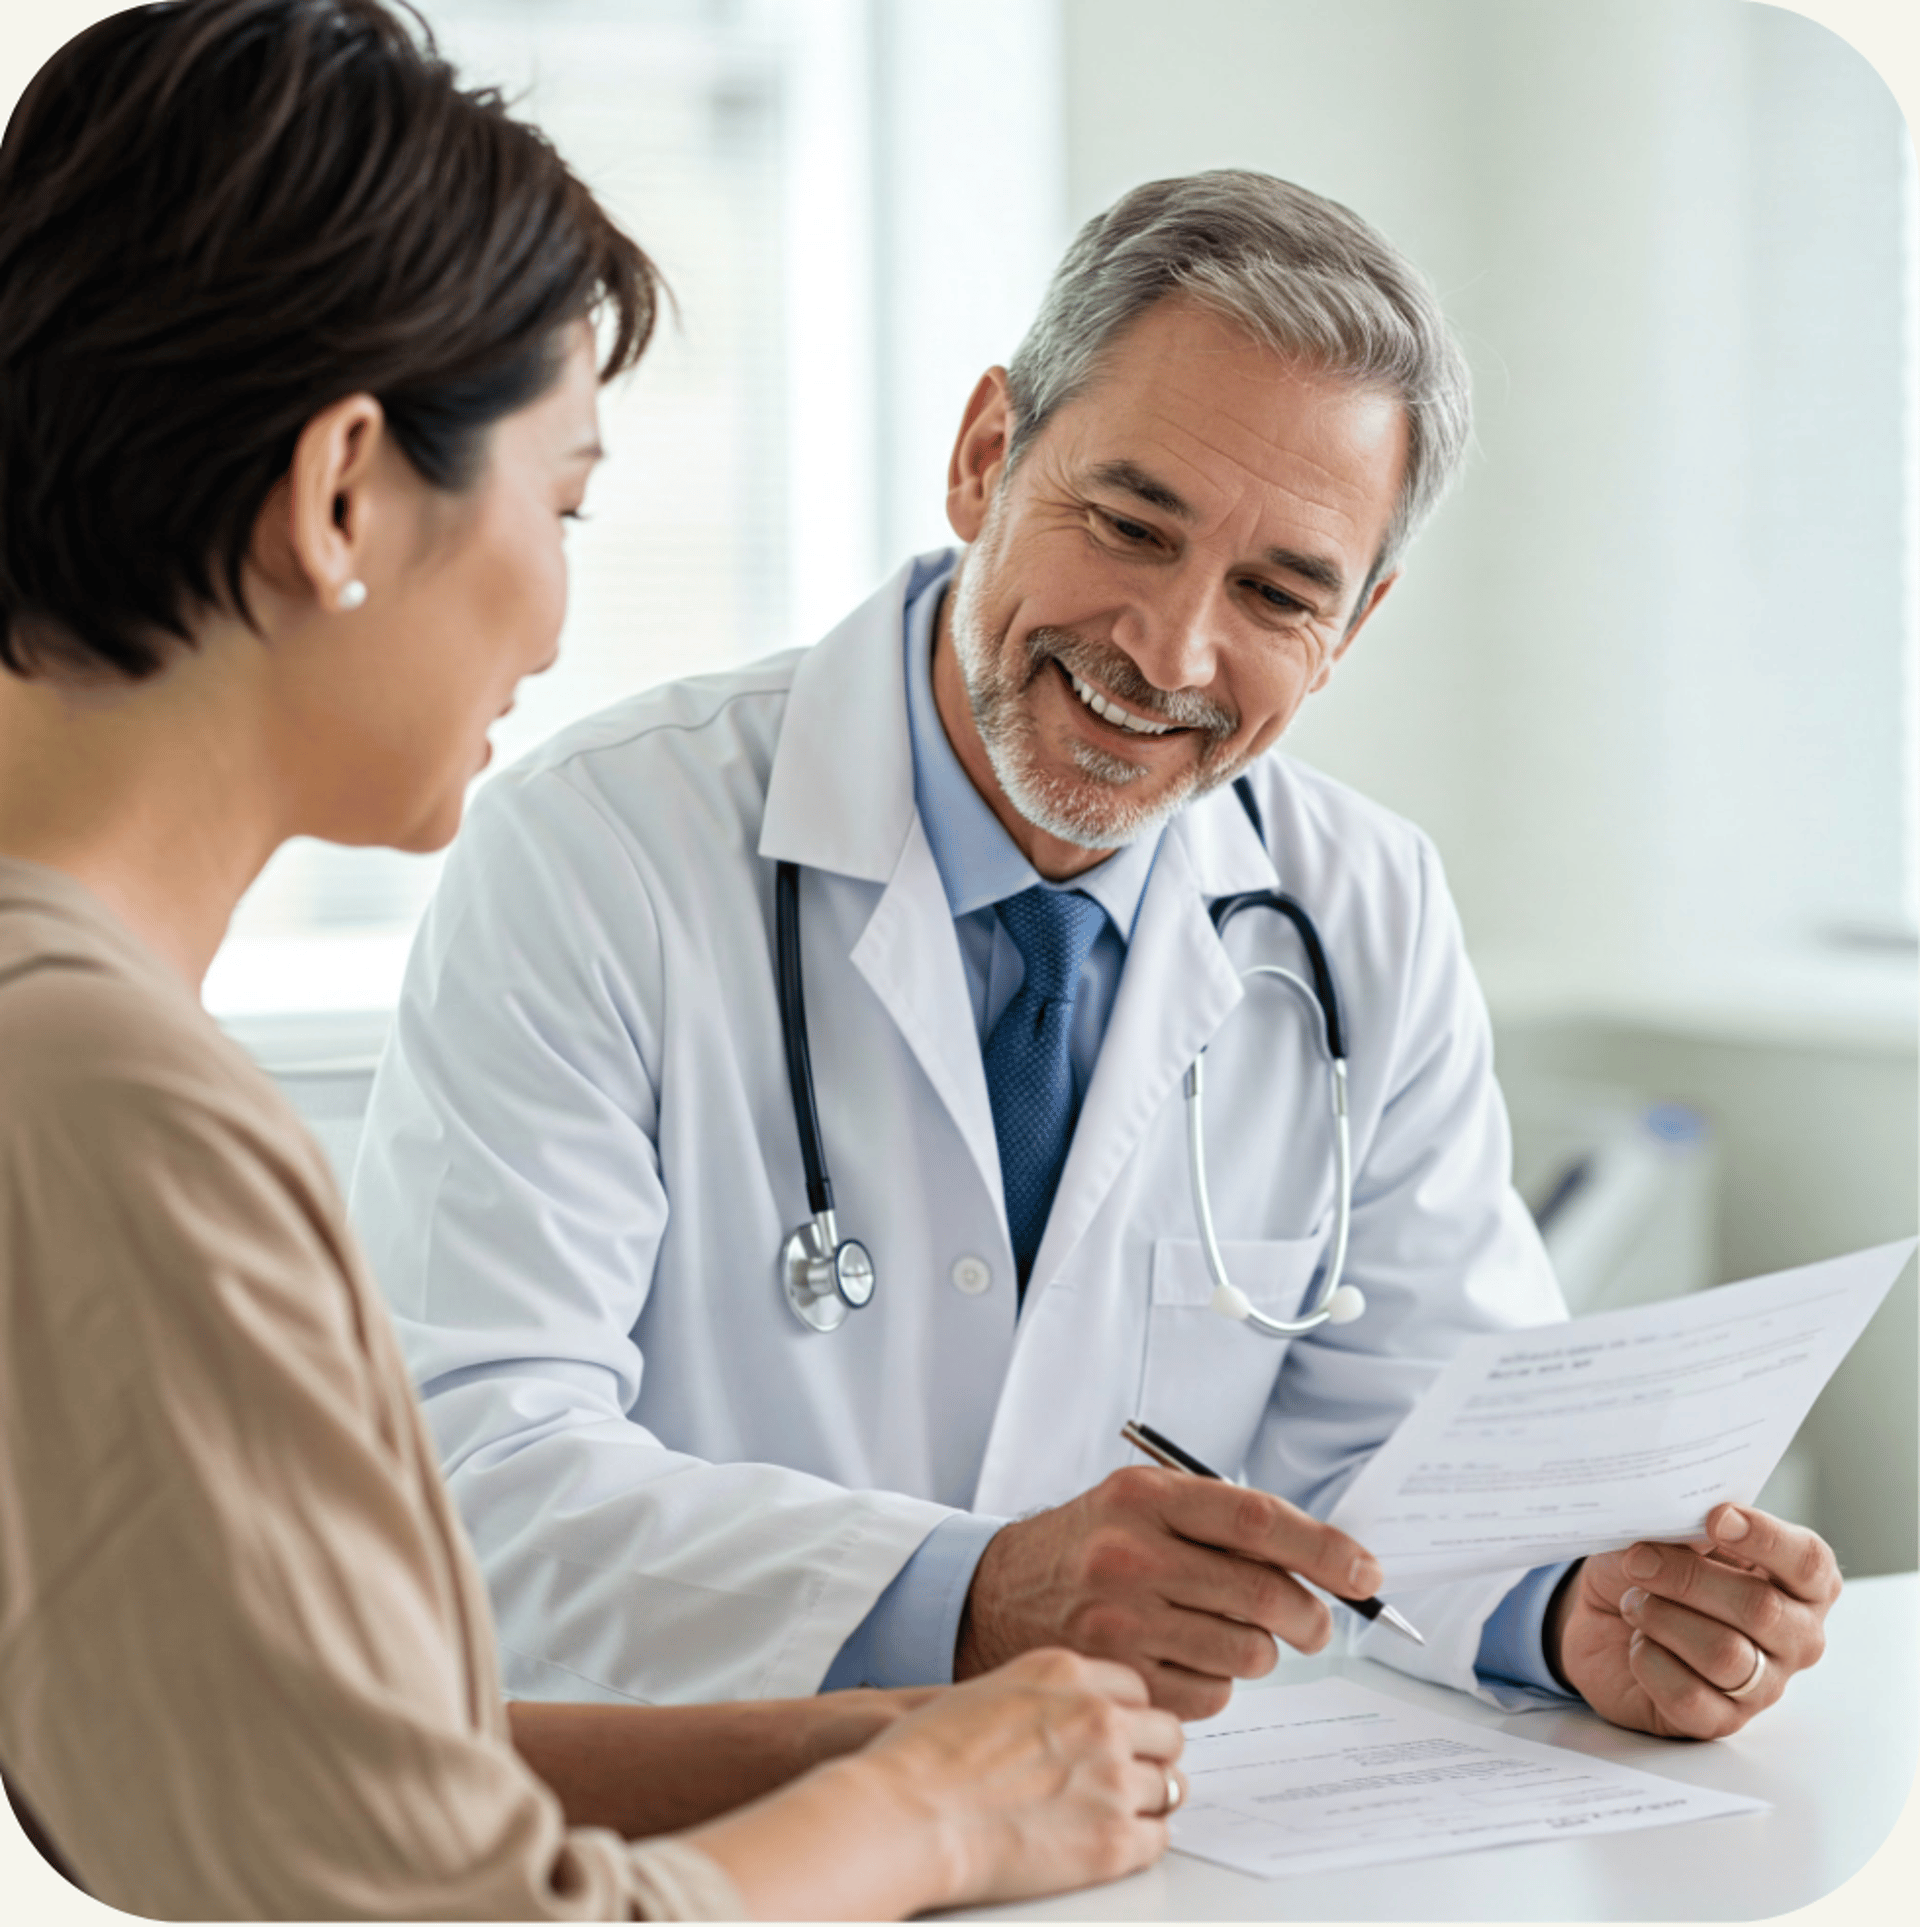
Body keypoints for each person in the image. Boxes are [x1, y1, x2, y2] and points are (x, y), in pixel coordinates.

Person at [350, 166, 1840, 1740]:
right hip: (701, 1833)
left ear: (1357, 623)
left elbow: (1418, 1456)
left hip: (1144, 1845)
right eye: (1130, 525)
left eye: (1277, 592)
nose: (1169, 648)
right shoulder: (600, 850)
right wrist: (974, 1591)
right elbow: (471, 1471)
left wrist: (1566, 1601)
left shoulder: (1363, 905)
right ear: (987, 455)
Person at [0, 2, 1189, 1917]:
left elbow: (274, 1750)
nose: (560, 618)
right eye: (561, 504)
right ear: (339, 499)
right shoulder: (104, 1101)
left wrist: (854, 1740)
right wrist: (933, 1818)